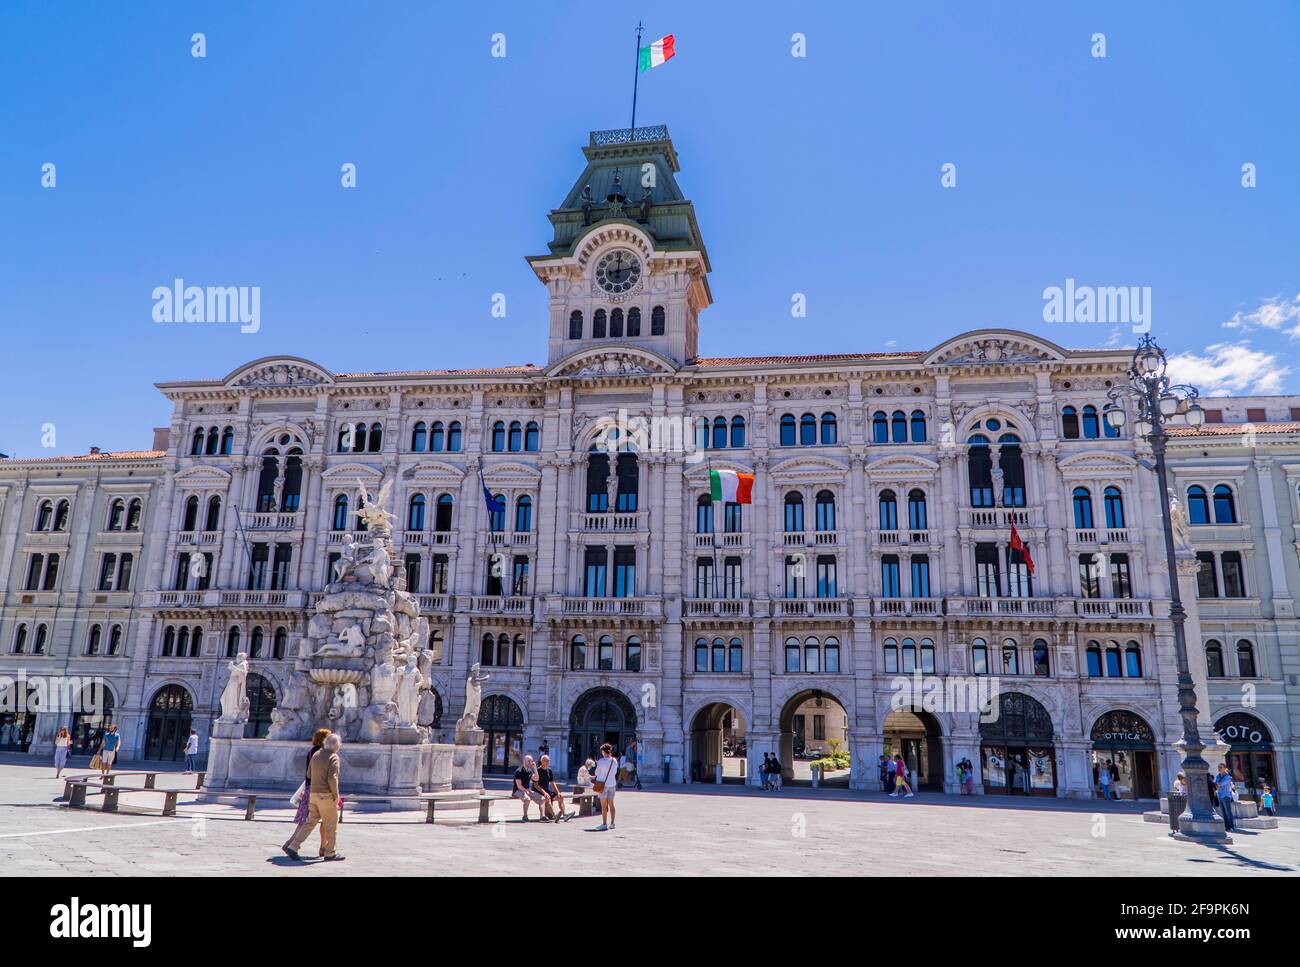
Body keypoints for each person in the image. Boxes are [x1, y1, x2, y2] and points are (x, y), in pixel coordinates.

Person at [283, 732, 345, 861]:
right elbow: (332, 779)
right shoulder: (333, 757)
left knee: (310, 822)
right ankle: (330, 853)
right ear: (336, 745)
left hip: (313, 794)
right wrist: (336, 795)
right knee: (331, 825)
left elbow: (309, 774)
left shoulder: (316, 755)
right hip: (326, 795)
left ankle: (293, 846)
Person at [535, 754, 570, 822]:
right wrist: (544, 792)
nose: (548, 762)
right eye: (546, 761)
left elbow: (552, 783)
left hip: (546, 791)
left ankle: (565, 815)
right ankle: (554, 816)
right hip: (538, 791)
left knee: (560, 797)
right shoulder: (537, 771)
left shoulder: (549, 770)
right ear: (542, 761)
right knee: (547, 798)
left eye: (548, 761)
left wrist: (558, 792)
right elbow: (536, 785)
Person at [592, 742, 619, 831]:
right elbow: (615, 772)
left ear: (604, 751)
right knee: (611, 804)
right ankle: (613, 823)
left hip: (603, 785)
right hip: (612, 784)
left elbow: (596, 773)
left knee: (604, 806)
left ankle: (604, 824)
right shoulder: (614, 760)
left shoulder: (601, 761)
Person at [513, 754, 547, 821]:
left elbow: (536, 779)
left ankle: (542, 816)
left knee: (542, 798)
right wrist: (526, 791)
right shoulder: (519, 771)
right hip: (517, 791)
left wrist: (535, 768)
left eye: (531, 761)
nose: (530, 762)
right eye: (528, 761)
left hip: (527, 790)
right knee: (527, 799)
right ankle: (525, 816)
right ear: (524, 761)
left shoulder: (529, 771)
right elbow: (519, 786)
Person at [1214, 763, 1236, 832]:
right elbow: (1214, 783)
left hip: (1226, 795)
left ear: (1224, 768)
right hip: (1220, 795)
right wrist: (1216, 784)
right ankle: (1226, 827)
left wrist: (1217, 784)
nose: (1219, 768)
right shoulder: (1217, 775)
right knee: (1223, 812)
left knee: (1228, 811)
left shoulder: (1228, 777)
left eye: (1221, 767)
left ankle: (1231, 826)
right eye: (1218, 767)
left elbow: (1221, 784)